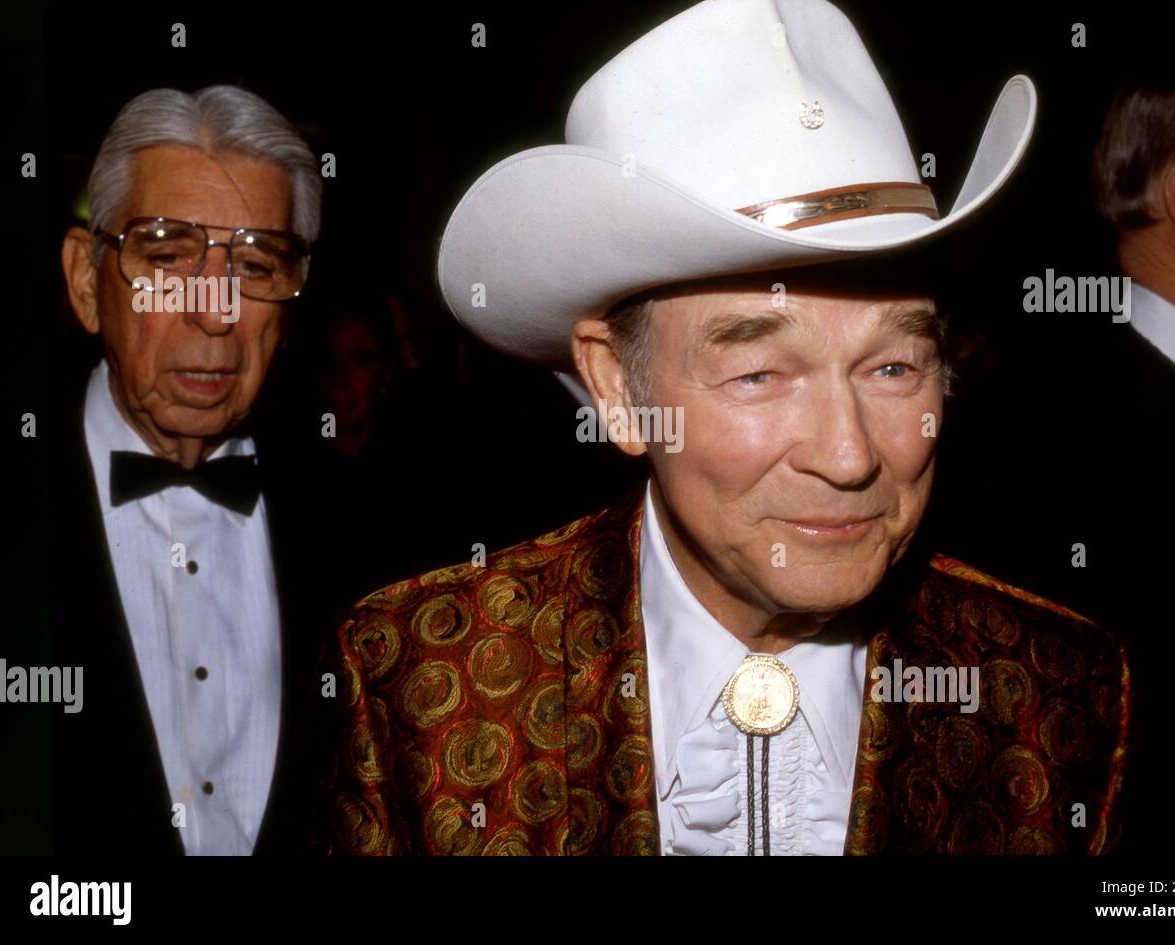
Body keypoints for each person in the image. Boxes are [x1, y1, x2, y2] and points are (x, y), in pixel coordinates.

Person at [320, 0, 1128, 855]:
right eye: (759, 375)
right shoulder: (415, 682)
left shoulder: (1056, 692)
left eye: (892, 367)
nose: (850, 456)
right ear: (617, 389)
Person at [49, 84, 365, 854]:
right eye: (166, 253)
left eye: (257, 262)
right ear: (88, 283)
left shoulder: (364, 529)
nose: (216, 307)